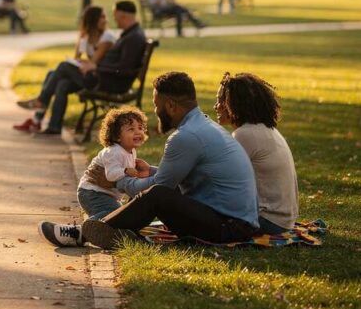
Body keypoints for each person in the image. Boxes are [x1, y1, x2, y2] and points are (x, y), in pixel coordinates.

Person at [80, 72, 260, 249]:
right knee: (161, 190)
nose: (156, 112)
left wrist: (120, 181)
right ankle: (107, 228)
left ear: (171, 106)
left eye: (157, 105)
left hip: (228, 227)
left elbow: (159, 189)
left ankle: (104, 228)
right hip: (238, 223)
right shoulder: (203, 125)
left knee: (159, 194)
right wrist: (149, 171)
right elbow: (174, 178)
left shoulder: (186, 136)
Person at [16, 1, 143, 134]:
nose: (115, 22)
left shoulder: (133, 38)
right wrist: (94, 66)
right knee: (63, 83)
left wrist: (96, 67)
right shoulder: (130, 35)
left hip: (108, 82)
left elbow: (124, 69)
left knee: (63, 66)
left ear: (124, 16)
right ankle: (54, 127)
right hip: (104, 78)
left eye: (116, 18)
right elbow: (118, 65)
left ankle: (41, 101)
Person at [39, 107, 149, 246]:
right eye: (131, 129)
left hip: (106, 195)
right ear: (116, 136)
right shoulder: (113, 152)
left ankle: (121, 237)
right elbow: (111, 175)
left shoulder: (130, 151)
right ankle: (76, 233)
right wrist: (127, 171)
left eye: (140, 127)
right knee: (113, 215)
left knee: (120, 217)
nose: (138, 132)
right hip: (92, 193)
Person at [214, 72, 298, 234]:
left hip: (267, 221)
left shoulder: (245, 134)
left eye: (220, 101)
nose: (216, 106)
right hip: (282, 221)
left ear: (234, 104)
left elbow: (219, 180)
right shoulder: (266, 129)